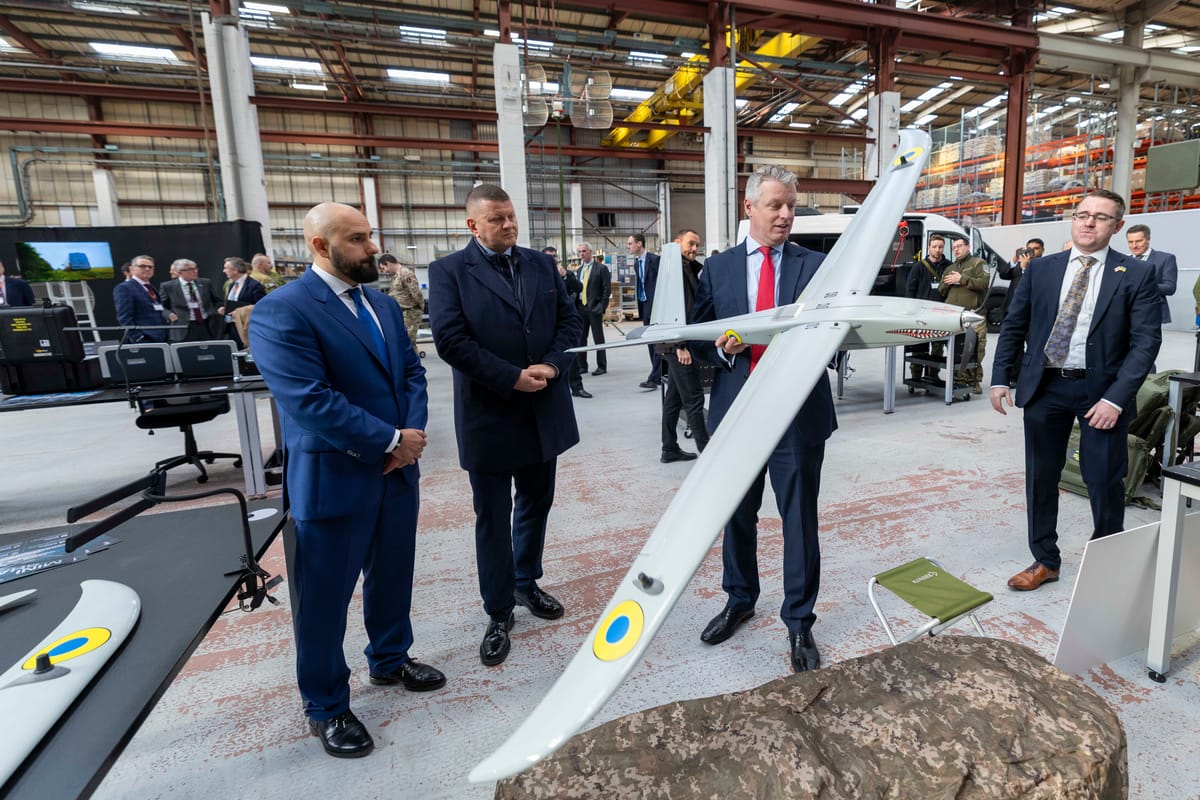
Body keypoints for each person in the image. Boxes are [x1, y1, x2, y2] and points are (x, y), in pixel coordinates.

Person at [248, 202, 443, 759]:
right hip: (335, 477)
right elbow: (309, 401)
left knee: (392, 574)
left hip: (396, 472)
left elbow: (411, 372)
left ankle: (389, 658)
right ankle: (327, 705)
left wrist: (411, 436)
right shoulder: (282, 311)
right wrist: (388, 440)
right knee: (324, 599)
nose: (371, 248)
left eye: (370, 235)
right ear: (320, 246)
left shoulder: (381, 304)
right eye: (357, 240)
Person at [429, 184, 582, 667]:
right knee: (492, 517)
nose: (509, 225)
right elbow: (450, 340)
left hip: (543, 407)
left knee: (537, 503)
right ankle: (498, 611)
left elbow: (570, 322)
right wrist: (511, 377)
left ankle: (525, 581)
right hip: (490, 412)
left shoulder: (539, 264)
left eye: (512, 217)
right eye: (497, 220)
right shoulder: (449, 271)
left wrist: (554, 367)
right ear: (473, 225)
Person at [692, 165, 836, 674]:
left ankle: (799, 621)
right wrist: (719, 347)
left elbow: (835, 336)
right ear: (748, 207)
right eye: (775, 205)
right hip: (739, 409)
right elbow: (697, 335)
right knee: (737, 513)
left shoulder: (817, 266)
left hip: (796, 413)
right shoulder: (719, 268)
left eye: (791, 206)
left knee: (798, 519)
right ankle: (740, 598)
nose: (785, 215)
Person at [990, 190, 1161, 592]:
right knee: (1041, 476)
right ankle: (1045, 560)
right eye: (1082, 214)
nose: (1088, 222)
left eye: (1100, 217)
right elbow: (1015, 325)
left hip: (1101, 392)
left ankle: (1107, 561)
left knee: (1103, 479)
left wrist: (1116, 398)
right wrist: (1000, 377)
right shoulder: (1042, 269)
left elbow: (1145, 343)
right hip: (1045, 385)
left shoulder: (1135, 274)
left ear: (1117, 226)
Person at [660, 228, 707, 462]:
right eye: (690, 243)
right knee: (694, 398)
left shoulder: (687, 267)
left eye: (697, 245)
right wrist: (681, 345)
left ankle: (669, 448)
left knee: (674, 399)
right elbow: (676, 308)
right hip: (676, 344)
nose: (694, 249)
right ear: (676, 242)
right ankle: (707, 452)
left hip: (672, 342)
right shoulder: (675, 269)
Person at [940, 237, 990, 393]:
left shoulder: (978, 263)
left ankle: (974, 380)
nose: (956, 249)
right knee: (957, 349)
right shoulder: (950, 268)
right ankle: (958, 378)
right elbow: (941, 291)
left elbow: (983, 284)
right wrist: (948, 283)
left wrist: (962, 279)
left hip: (974, 314)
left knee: (976, 349)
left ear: (968, 247)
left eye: (959, 246)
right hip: (954, 317)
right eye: (954, 247)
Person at [545, 245, 590, 399]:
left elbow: (579, 287)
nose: (553, 259)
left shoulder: (564, 273)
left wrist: (566, 276)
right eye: (549, 256)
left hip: (563, 322)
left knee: (570, 354)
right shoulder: (538, 276)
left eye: (554, 256)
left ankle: (577, 387)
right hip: (547, 322)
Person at [904, 234, 950, 382]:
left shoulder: (948, 266)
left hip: (940, 313)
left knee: (937, 346)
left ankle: (933, 374)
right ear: (929, 247)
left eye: (940, 247)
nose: (937, 250)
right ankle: (916, 376)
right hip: (921, 313)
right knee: (919, 345)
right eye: (935, 246)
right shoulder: (919, 266)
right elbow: (910, 289)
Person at [160, 258, 224, 341]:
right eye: (190, 269)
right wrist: (169, 314)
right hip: (183, 325)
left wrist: (219, 308)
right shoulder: (168, 286)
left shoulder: (205, 283)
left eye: (195, 268)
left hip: (206, 324)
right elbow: (161, 306)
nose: (195, 271)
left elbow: (217, 301)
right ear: (180, 272)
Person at [627, 233, 661, 389]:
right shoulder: (636, 263)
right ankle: (656, 374)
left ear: (639, 244)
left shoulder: (654, 260)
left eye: (630, 243)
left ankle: (654, 377)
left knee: (656, 341)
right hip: (644, 303)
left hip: (656, 305)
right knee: (649, 340)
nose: (628, 247)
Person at [1125, 224, 1177, 325]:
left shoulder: (1165, 258)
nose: (1134, 245)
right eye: (1130, 242)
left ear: (1148, 239)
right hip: (1124, 313)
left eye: (1139, 241)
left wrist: (1142, 287)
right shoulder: (1123, 260)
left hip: (1151, 314)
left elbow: (1170, 287)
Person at [113, 255, 168, 342]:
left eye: (150, 267)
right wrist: (138, 337)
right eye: (142, 266)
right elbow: (124, 317)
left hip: (161, 337)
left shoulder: (151, 287)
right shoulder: (125, 288)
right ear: (132, 269)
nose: (147, 269)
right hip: (144, 339)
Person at [576, 242, 610, 376]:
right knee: (581, 338)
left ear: (591, 252)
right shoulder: (579, 270)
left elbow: (606, 289)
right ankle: (582, 366)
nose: (581, 254)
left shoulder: (601, 269)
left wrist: (601, 307)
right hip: (581, 308)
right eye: (579, 252)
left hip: (594, 308)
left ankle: (602, 366)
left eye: (584, 251)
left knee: (598, 338)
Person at [378, 253, 425, 350]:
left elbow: (416, 292)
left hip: (410, 313)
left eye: (383, 268)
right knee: (405, 342)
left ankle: (413, 364)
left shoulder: (405, 273)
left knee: (408, 343)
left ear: (388, 263)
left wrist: (420, 308)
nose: (384, 271)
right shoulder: (397, 276)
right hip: (403, 313)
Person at [221, 257, 266, 348]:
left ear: (235, 270)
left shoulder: (254, 286)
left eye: (226, 268)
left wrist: (241, 312)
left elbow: (262, 307)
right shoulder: (231, 285)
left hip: (247, 327)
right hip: (232, 326)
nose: (223, 271)